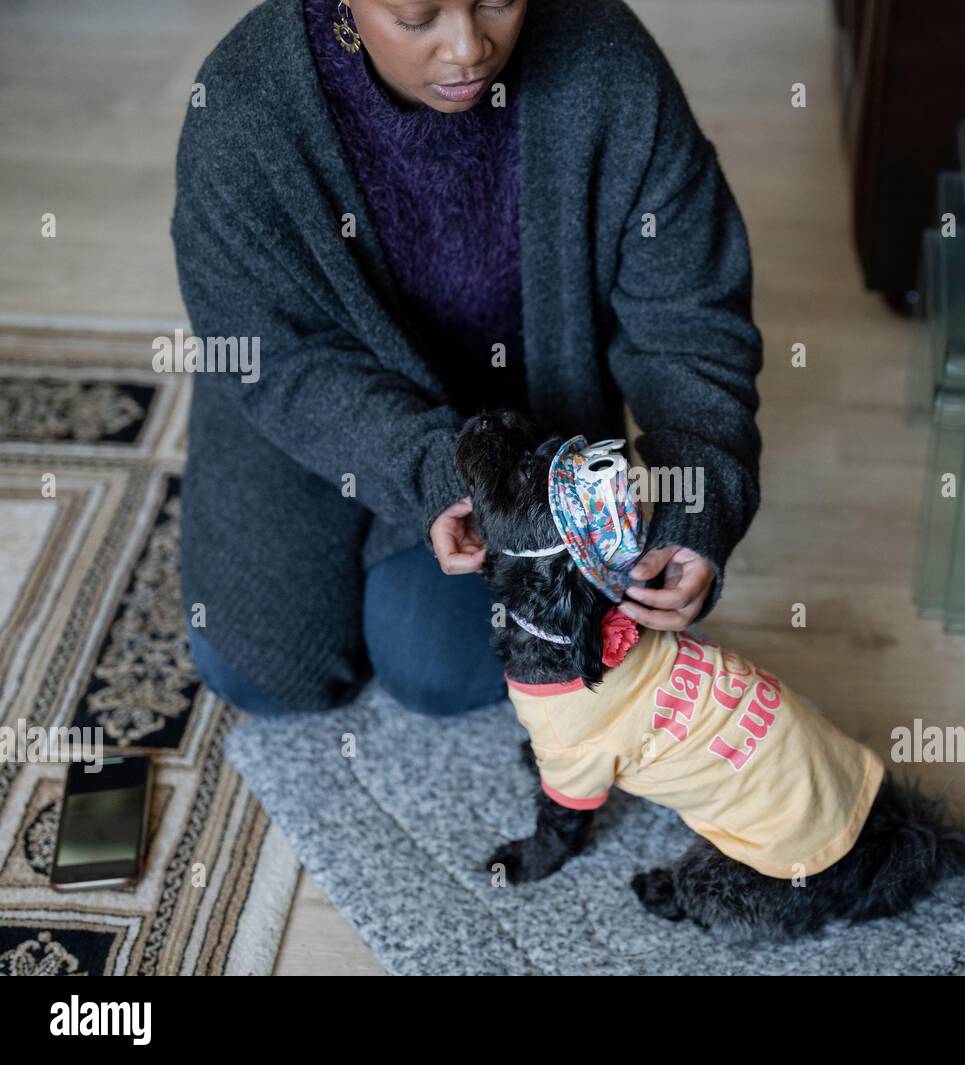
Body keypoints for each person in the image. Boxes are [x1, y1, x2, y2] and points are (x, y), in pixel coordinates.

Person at [173, 0, 762, 717]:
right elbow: (271, 351)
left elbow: (689, 314)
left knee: (441, 669)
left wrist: (696, 493)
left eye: (499, 1)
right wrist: (420, 470)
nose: (470, 49)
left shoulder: (608, 64)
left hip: (513, 418)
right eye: (419, 17)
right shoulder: (242, 106)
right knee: (264, 672)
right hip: (316, 386)